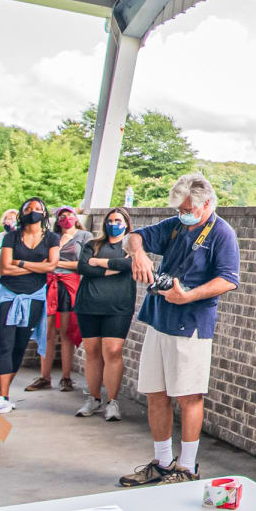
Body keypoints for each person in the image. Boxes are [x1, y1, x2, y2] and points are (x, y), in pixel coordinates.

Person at [120, 175, 239, 486]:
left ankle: (186, 467)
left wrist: (189, 295)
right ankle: (162, 461)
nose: (183, 214)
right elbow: (134, 236)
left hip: (191, 324)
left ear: (207, 204)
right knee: (155, 392)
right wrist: (140, 254)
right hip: (159, 317)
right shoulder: (175, 225)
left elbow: (228, 279)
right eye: (179, 209)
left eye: (188, 209)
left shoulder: (222, 234)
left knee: (188, 395)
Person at [0, 198, 59, 413]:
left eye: (38, 209)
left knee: (20, 345)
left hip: (34, 297)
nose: (33, 212)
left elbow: (51, 266)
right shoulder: (11, 237)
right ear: (22, 213)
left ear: (44, 214)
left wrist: (20, 263)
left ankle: (5, 393)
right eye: (28, 209)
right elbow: (4, 268)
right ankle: (1, 395)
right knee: (5, 343)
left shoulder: (51, 238)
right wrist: (36, 267)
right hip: (9, 295)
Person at [74, 208, 136, 421]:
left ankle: (112, 400)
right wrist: (112, 269)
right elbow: (83, 268)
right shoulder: (93, 244)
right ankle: (93, 398)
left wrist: (99, 263)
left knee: (113, 351)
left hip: (118, 306)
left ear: (126, 223)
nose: (113, 223)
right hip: (89, 304)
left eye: (118, 220)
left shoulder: (132, 245)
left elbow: (129, 264)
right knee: (92, 351)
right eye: (110, 220)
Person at [26, 207, 87, 393]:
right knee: (47, 332)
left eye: (69, 215)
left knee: (66, 332)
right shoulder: (51, 237)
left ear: (76, 218)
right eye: (62, 216)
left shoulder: (84, 236)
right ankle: (45, 376)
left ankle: (66, 377)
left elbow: (83, 263)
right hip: (49, 283)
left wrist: (56, 263)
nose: (66, 219)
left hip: (69, 285)